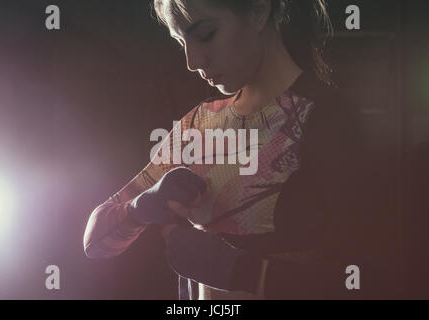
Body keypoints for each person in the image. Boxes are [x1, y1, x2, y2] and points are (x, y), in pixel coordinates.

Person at [83, 0, 374, 299]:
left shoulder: (328, 118)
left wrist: (243, 272)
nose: (192, 61)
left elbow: (365, 279)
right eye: (181, 41)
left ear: (259, 11)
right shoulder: (197, 125)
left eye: (206, 34)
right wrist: (139, 208)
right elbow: (94, 244)